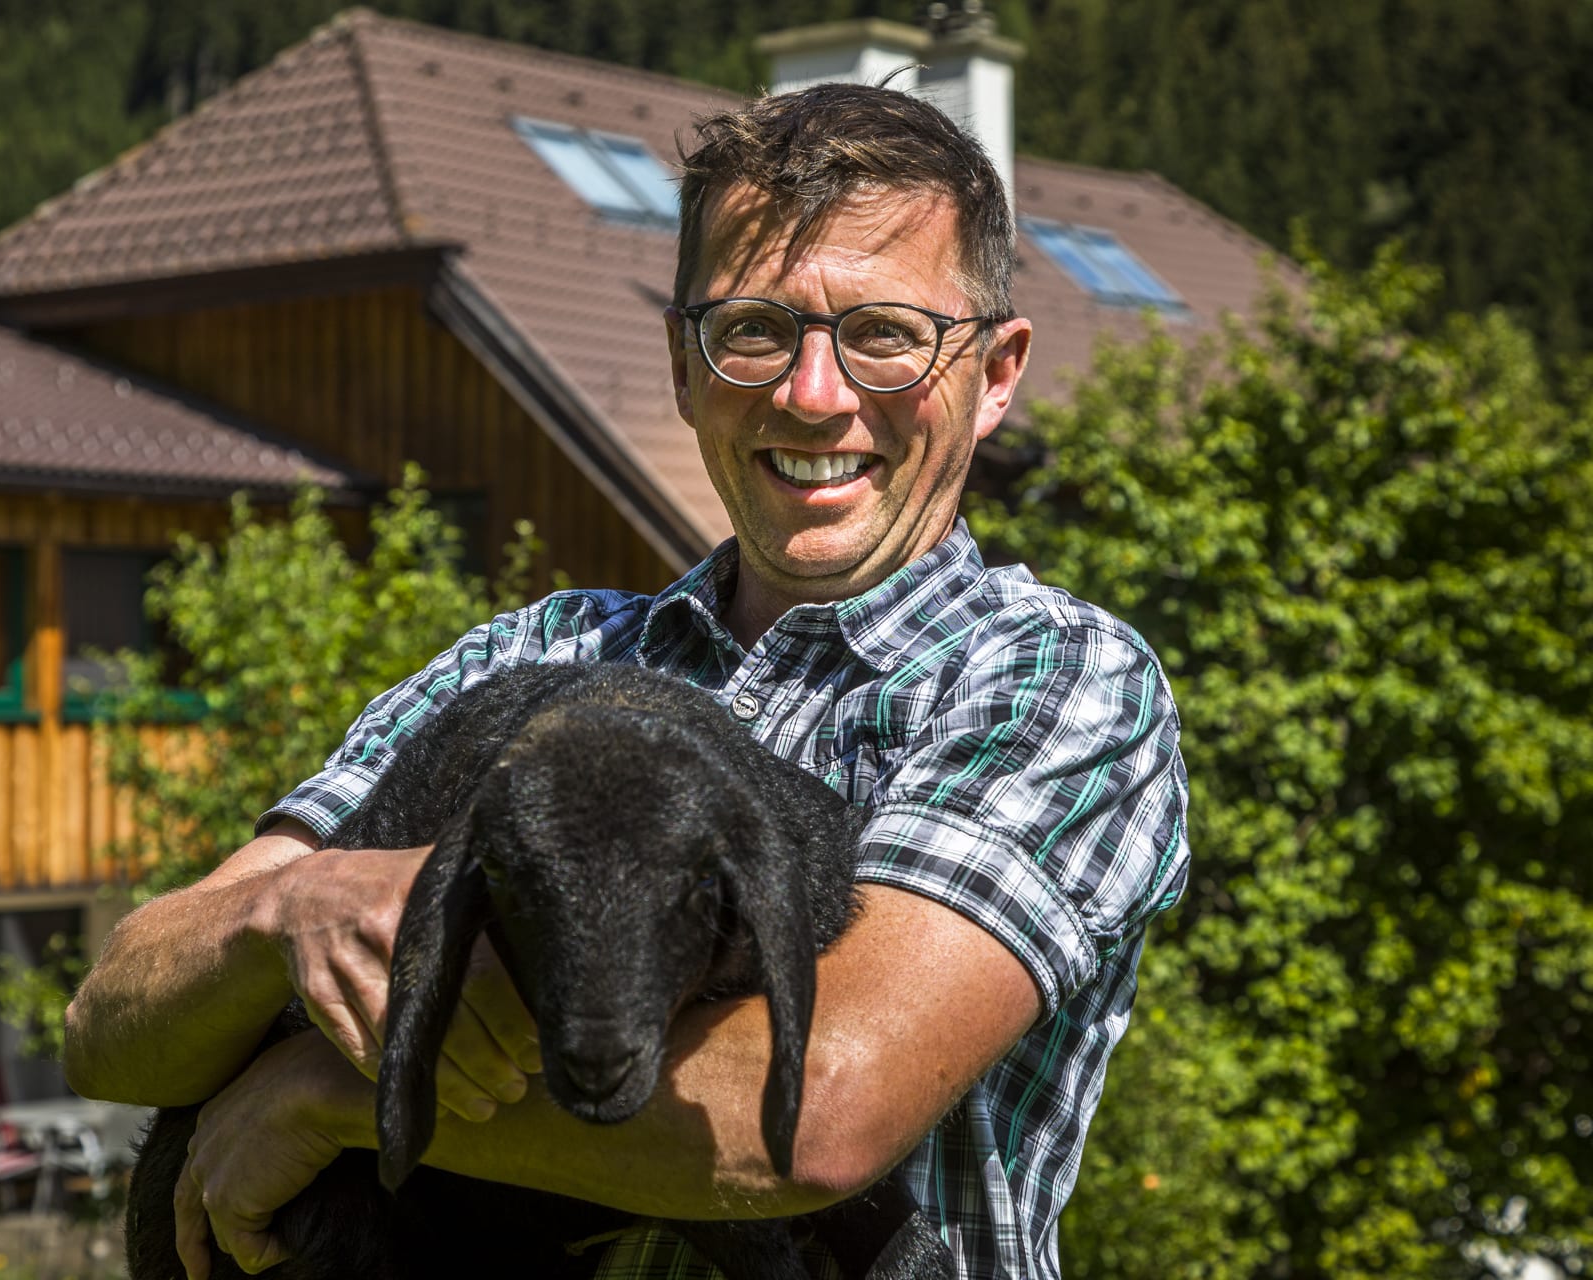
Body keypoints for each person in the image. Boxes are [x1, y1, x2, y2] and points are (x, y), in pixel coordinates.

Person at [64, 83, 1190, 1279]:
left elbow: (826, 1107)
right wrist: (279, 911)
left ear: (997, 371)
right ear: (682, 364)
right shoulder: (532, 656)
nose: (813, 393)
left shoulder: (1050, 679)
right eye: (752, 329)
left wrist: (340, 1091)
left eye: (884, 333)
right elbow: (110, 1033)